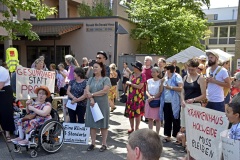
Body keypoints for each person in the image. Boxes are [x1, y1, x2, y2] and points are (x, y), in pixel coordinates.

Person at [180, 58, 206, 153]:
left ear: (196, 68)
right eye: (188, 69)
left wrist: (193, 99)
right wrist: (182, 100)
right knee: (185, 127)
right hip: (185, 105)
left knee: (194, 127)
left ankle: (192, 147)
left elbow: (204, 95)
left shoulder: (201, 78)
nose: (190, 71)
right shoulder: (185, 77)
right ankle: (186, 146)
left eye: (192, 69)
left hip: (195, 106)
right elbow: (182, 91)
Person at [85, 62, 111, 152]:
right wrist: (91, 98)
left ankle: (104, 144)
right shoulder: (90, 79)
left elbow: (104, 91)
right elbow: (87, 91)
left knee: (103, 125)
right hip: (92, 104)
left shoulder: (106, 79)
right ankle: (93, 143)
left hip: (102, 105)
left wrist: (92, 94)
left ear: (101, 68)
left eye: (96, 67)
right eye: (93, 67)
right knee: (92, 124)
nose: (94, 69)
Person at [160, 64, 183, 142]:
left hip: (175, 101)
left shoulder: (177, 77)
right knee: (167, 118)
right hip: (166, 100)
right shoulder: (166, 78)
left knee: (175, 118)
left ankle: (177, 136)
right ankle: (167, 135)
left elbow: (181, 88)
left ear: (169, 70)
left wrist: (171, 87)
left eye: (165, 69)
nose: (164, 71)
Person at [125, 61, 146, 133]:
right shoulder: (132, 74)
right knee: (130, 113)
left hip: (138, 97)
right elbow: (129, 82)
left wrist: (130, 84)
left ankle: (137, 128)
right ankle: (132, 128)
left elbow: (140, 87)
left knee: (137, 113)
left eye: (134, 66)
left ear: (138, 68)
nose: (133, 67)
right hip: (130, 96)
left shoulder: (142, 75)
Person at [145, 67, 163, 134]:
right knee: (150, 118)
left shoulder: (160, 81)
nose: (152, 73)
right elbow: (146, 90)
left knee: (157, 119)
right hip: (149, 100)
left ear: (158, 73)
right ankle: (150, 133)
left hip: (156, 100)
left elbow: (160, 92)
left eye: (154, 72)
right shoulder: (149, 80)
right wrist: (149, 97)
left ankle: (157, 133)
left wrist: (153, 97)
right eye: (152, 72)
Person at [0, 66, 15, 142]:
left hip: (5, 92)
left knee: (5, 112)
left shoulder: (3, 71)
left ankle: (7, 133)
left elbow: (0, 86)